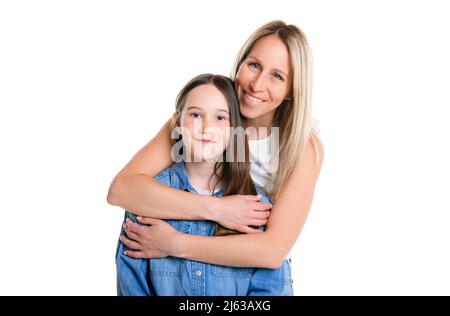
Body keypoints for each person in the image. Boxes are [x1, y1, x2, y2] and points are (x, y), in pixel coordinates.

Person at [108, 20, 324, 294]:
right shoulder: (203, 113)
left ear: (293, 89)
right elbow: (122, 190)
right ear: (241, 62)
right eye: (254, 65)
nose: (257, 84)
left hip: (241, 275)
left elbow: (271, 252)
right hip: (174, 276)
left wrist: (174, 244)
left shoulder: (302, 146)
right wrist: (218, 209)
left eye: (277, 76)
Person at [116, 74, 293, 295]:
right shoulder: (146, 202)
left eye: (220, 118)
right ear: (177, 123)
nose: (206, 127)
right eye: (196, 115)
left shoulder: (255, 208)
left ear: (234, 130)